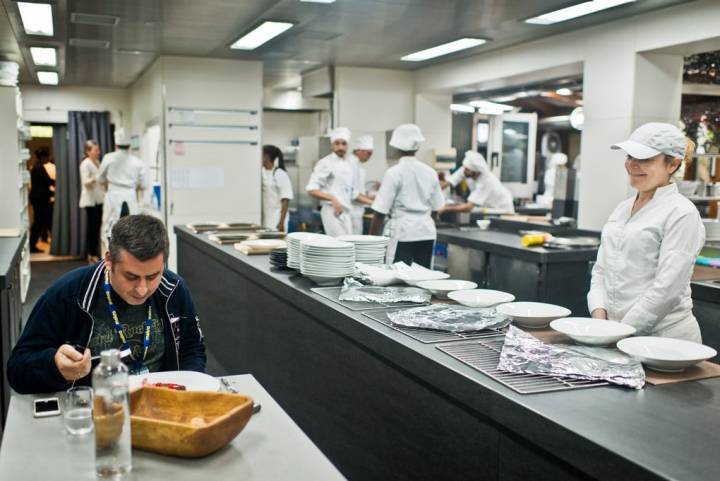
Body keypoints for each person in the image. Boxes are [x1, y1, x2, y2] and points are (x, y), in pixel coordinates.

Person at [7, 214, 207, 394]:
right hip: (96, 411)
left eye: (153, 276)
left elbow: (192, 349)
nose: (142, 289)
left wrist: (187, 389)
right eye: (131, 276)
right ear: (109, 260)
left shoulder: (173, 289)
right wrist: (54, 365)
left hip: (160, 405)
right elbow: (17, 369)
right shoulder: (68, 295)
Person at [587, 122, 705, 342]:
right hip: (614, 334)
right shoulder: (622, 208)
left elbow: (666, 289)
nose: (632, 165)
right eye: (630, 156)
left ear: (673, 165)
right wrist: (599, 316)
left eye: (645, 159)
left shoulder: (682, 213)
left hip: (663, 339)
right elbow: (601, 270)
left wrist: (619, 332)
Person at [369, 124, 444, 268]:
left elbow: (380, 212)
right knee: (423, 277)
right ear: (418, 147)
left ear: (396, 147)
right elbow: (436, 208)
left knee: (398, 277)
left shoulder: (394, 173)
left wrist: (371, 242)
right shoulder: (430, 172)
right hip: (426, 232)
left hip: (402, 232)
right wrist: (424, 222)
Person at [97, 129, 146, 251]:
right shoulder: (137, 161)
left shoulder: (108, 158)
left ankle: (106, 261)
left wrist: (107, 182)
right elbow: (143, 184)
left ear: (116, 144)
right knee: (133, 228)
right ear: (129, 145)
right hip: (130, 195)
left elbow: (99, 178)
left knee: (108, 229)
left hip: (113, 193)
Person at [306, 127, 357, 237]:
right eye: (337, 143)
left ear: (347, 146)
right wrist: (333, 199)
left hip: (345, 212)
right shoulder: (326, 163)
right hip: (332, 211)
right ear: (332, 145)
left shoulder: (348, 164)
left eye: (344, 144)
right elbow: (311, 189)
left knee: (348, 246)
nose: (340, 147)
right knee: (339, 247)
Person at [439, 151, 514, 215]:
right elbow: (447, 183)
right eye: (464, 168)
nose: (463, 171)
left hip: (502, 209)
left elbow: (468, 207)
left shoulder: (486, 181)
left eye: (467, 170)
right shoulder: (466, 170)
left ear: (476, 172)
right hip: (486, 207)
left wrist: (444, 209)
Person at [79, 140, 106, 263]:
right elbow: (86, 182)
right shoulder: (85, 164)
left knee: (96, 227)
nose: (98, 152)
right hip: (91, 201)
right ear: (88, 151)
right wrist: (97, 178)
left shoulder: (97, 162)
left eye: (98, 150)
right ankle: (91, 254)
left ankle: (95, 253)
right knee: (92, 228)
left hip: (99, 199)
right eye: (95, 150)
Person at [261, 144, 294, 232]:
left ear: (266, 156)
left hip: (276, 221)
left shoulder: (279, 174)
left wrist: (281, 222)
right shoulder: (262, 172)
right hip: (265, 221)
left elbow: (286, 199)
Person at [29, 147, 55, 252]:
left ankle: (33, 245)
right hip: (40, 200)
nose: (49, 159)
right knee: (40, 223)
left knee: (40, 223)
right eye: (48, 156)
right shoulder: (39, 167)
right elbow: (48, 181)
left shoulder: (37, 166)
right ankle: (32, 245)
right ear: (43, 157)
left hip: (39, 199)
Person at [349, 135, 376, 234]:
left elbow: (356, 191)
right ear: (359, 150)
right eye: (369, 153)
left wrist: (368, 197)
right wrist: (374, 203)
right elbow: (353, 194)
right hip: (351, 213)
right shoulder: (351, 165)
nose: (369, 157)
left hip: (356, 212)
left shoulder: (356, 165)